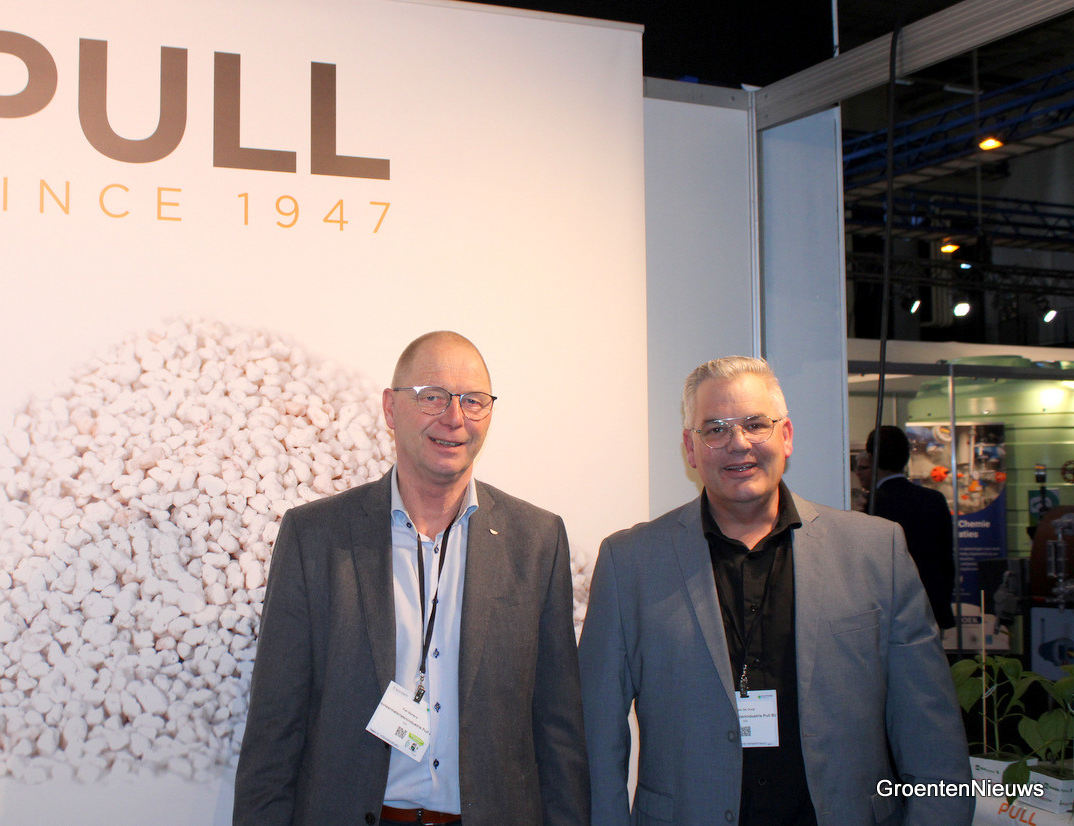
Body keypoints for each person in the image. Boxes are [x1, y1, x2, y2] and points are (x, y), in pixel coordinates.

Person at [578, 356, 971, 826]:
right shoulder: (630, 562)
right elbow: (595, 739)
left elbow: (932, 736)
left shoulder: (875, 551)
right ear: (690, 448)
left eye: (755, 424)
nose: (738, 443)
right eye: (715, 429)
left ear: (785, 435)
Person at [234, 331, 589, 826]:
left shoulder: (536, 541)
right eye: (433, 397)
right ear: (390, 408)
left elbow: (558, 729)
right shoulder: (315, 537)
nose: (455, 418)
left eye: (473, 400)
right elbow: (275, 728)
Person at [866, 426, 958, 630]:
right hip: (930, 606)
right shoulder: (934, 500)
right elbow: (946, 560)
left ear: (872, 458)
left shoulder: (871, 505)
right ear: (907, 457)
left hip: (887, 612)